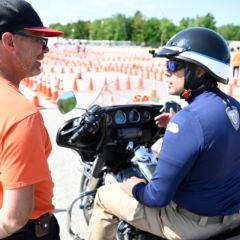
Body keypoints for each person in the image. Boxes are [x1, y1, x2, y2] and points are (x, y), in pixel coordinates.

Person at [85, 27, 240, 240]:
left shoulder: (189, 121)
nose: (166, 71)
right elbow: (214, 146)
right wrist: (178, 124)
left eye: (173, 64)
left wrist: (134, 186)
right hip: (232, 217)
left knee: (104, 196)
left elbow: (156, 197)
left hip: (192, 225)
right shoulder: (233, 106)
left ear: (200, 71)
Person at [0, 0, 63, 239]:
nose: (45, 50)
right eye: (39, 40)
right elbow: (13, 219)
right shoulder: (20, 114)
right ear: (9, 41)